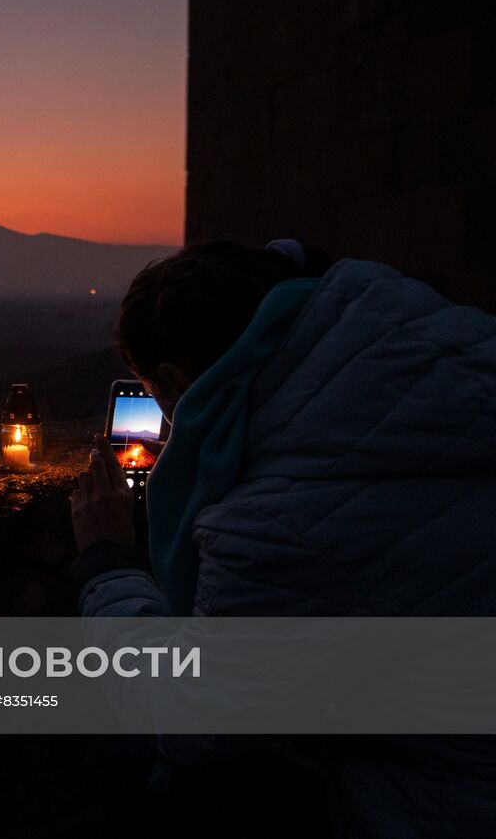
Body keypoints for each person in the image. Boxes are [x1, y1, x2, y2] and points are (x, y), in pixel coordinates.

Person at [68, 240, 496, 836]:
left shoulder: (274, 521)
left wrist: (108, 561)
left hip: (442, 803)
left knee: (134, 753)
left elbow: (194, 718)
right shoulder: (451, 356)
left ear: (174, 380)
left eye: (167, 402)